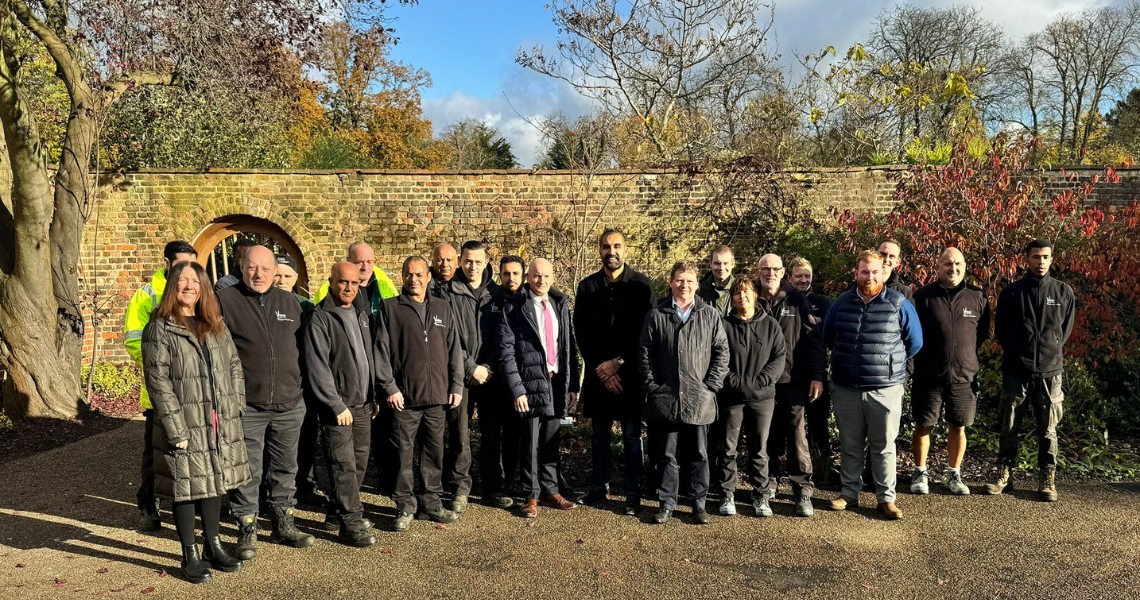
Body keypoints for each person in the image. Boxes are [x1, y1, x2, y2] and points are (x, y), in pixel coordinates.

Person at [142, 261, 250, 583]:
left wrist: (236, 406)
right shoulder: (160, 327)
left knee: (213, 483)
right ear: (172, 287)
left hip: (217, 420)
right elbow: (157, 381)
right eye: (182, 281)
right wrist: (176, 428)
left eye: (195, 281)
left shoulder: (214, 323)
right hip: (185, 424)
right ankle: (189, 554)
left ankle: (213, 545)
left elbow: (234, 364)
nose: (189, 286)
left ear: (203, 287)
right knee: (186, 488)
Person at [217, 246, 316, 559]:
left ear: (276, 272)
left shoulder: (291, 303)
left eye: (265, 268)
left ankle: (282, 520)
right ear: (242, 268)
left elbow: (307, 350)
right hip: (248, 406)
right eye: (251, 267)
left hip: (289, 404)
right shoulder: (225, 301)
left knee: (286, 467)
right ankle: (246, 526)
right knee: (247, 470)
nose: (258, 274)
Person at [823, 250, 922, 520]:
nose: (870, 276)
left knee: (884, 445)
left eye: (875, 272)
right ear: (856, 273)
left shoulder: (898, 303)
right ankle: (849, 493)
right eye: (864, 271)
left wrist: (893, 369)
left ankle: (886, 499)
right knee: (850, 443)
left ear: (884, 273)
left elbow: (915, 342)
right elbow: (829, 336)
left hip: (885, 388)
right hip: (846, 387)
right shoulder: (842, 303)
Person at [375, 256, 464, 532]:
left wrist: (457, 385)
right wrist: (389, 387)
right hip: (404, 399)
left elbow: (454, 350)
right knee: (402, 454)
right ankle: (404, 504)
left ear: (428, 277)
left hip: (437, 397)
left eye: (418, 274)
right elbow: (380, 352)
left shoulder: (443, 308)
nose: (413, 279)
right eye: (408, 274)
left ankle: (431, 502)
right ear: (402, 277)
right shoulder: (390, 309)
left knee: (433, 453)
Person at [639, 261, 729, 525]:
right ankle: (667, 502)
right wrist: (653, 386)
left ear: (697, 284)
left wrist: (711, 385)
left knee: (699, 454)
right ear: (671, 282)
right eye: (679, 280)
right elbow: (645, 354)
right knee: (666, 454)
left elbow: (722, 353)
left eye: (689, 280)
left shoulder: (709, 315)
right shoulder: (657, 315)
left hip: (699, 398)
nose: (684, 285)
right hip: (666, 398)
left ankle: (698, 503)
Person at [573, 228, 655, 515]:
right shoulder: (587, 287)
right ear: (600, 250)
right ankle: (599, 486)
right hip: (598, 376)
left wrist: (618, 363)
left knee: (633, 436)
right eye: (606, 246)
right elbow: (580, 332)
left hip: (629, 376)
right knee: (599, 435)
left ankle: (633, 491)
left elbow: (646, 334)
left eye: (617, 246)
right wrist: (602, 368)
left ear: (626, 249)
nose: (612, 251)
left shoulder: (642, 287)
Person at [986, 240, 1075, 502]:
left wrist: (1051, 352)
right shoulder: (1011, 293)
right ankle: (1004, 474)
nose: (1041, 261)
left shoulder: (1063, 292)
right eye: (1036, 257)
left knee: (1048, 429)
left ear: (1051, 259)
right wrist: (1017, 354)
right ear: (1027, 259)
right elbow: (1001, 331)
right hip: (1016, 371)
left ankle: (1047, 478)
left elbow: (1065, 331)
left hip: (1050, 372)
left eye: (1045, 257)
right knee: (1009, 425)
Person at [301, 262, 380, 547]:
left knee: (358, 463)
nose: (348, 288)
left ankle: (337, 511)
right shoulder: (320, 319)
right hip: (339, 407)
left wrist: (372, 395)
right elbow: (317, 368)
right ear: (331, 282)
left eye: (354, 283)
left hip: (362, 404)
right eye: (343, 282)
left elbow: (367, 357)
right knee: (343, 464)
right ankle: (351, 522)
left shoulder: (360, 313)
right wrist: (335, 405)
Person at [498, 258, 582, 518]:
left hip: (556, 383)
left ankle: (550, 490)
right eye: (536, 276)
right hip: (530, 383)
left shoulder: (560, 304)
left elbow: (568, 347)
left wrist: (572, 386)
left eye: (546, 276)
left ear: (552, 278)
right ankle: (530, 496)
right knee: (530, 442)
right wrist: (518, 390)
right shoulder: (514, 307)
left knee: (550, 440)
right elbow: (506, 351)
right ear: (528, 277)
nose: (541, 280)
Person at [125, 240, 198, 532]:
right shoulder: (147, 295)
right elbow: (133, 339)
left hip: (194, 389)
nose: (187, 271)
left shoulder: (199, 289)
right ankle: (149, 506)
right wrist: (167, 363)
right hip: (161, 390)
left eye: (192, 264)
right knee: (155, 453)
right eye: (180, 264)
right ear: (167, 263)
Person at [909, 248, 991, 496]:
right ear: (937, 266)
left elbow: (982, 333)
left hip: (964, 376)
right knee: (924, 425)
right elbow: (913, 333)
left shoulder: (978, 296)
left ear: (964, 266)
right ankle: (920, 471)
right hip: (928, 375)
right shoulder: (922, 296)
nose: (952, 268)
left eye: (957, 264)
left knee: (958, 426)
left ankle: (953, 474)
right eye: (947, 264)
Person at [752, 254, 826, 518]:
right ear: (758, 272)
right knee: (767, 435)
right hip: (760, 382)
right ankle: (769, 482)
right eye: (765, 269)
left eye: (774, 269)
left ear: (783, 272)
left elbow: (813, 339)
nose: (770, 273)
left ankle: (802, 490)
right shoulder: (751, 299)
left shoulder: (796, 299)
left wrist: (817, 375)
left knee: (796, 435)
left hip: (793, 381)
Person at [712, 278, 786, 518]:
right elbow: (718, 359)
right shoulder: (723, 325)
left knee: (759, 449)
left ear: (755, 295)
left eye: (746, 292)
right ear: (732, 299)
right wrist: (736, 383)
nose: (741, 296)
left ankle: (761, 495)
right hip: (731, 397)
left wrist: (760, 383)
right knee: (728, 448)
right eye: (736, 293)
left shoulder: (771, 325)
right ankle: (727, 494)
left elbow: (778, 358)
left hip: (762, 398)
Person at [436, 240, 499, 513]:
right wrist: (471, 367)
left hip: (491, 375)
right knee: (459, 433)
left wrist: (488, 367)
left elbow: (503, 338)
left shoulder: (497, 294)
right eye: (468, 261)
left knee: (491, 432)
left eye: (478, 261)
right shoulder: (446, 293)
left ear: (486, 262)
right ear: (461, 262)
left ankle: (493, 488)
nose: (472, 267)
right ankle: (460, 489)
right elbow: (446, 338)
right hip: (460, 375)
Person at [479, 255, 528, 505]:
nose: (511, 278)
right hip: (491, 379)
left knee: (513, 434)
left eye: (516, 274)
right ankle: (492, 485)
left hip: (518, 380)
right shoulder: (490, 300)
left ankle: (509, 481)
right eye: (506, 273)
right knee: (490, 434)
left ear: (523, 275)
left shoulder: (528, 301)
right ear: (500, 274)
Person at [786, 257, 834, 480]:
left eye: (807, 276)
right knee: (792, 424)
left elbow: (826, 330)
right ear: (789, 277)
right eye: (799, 276)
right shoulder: (784, 300)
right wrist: (813, 321)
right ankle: (793, 469)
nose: (803, 280)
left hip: (816, 369)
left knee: (818, 421)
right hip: (791, 373)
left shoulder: (822, 300)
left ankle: (823, 468)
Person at [314, 242, 398, 314]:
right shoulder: (328, 287)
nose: (365, 267)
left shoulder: (385, 282)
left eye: (369, 262)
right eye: (359, 262)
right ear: (348, 260)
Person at [697, 245, 736, 317]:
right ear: (710, 264)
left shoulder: (739, 290)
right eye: (717, 263)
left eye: (725, 263)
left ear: (733, 264)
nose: (721, 268)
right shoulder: (699, 290)